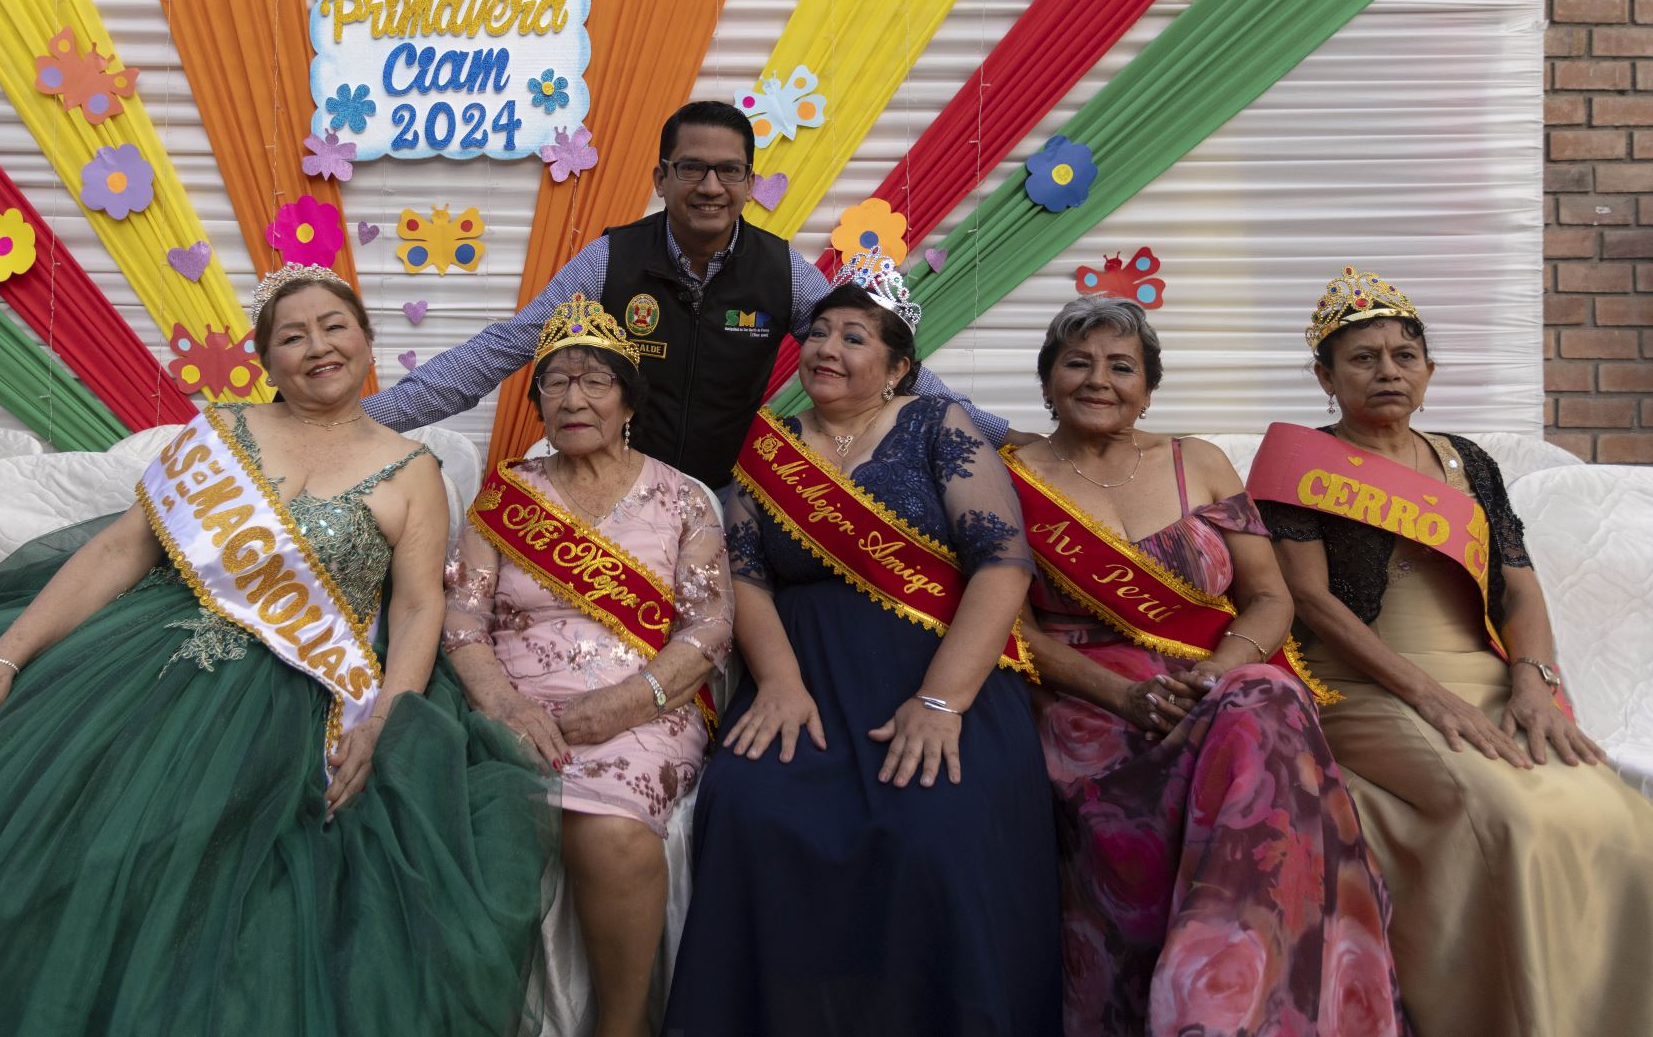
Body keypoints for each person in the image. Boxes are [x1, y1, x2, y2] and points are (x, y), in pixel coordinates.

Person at [0, 265, 557, 1037]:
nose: (318, 347)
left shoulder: (416, 469)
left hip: (299, 694)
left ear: (366, 337)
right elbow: (123, 548)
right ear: (267, 359)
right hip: (136, 665)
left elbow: (419, 603)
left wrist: (389, 715)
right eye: (292, 336)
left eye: (334, 326)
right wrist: (1, 660)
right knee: (27, 827)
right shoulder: (218, 433)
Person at [661, 251, 1061, 1037]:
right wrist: (776, 681)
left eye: (854, 336)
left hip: (940, 673)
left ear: (898, 366)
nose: (826, 348)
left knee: (934, 832)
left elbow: (1003, 563)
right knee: (750, 808)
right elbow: (746, 578)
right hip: (803, 679)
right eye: (817, 333)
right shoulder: (768, 444)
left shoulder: (937, 425)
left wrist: (942, 701)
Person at [1250, 267, 1653, 1037]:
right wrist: (1427, 696)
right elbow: (1312, 604)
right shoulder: (1297, 466)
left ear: (1429, 370)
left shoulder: (1469, 460)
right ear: (1324, 376)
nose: (1388, 371)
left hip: (1488, 675)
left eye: (1405, 354)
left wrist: (1534, 682)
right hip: (1361, 683)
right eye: (1362, 357)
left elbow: (1520, 590)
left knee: (1617, 814)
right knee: (1513, 816)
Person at [1005, 297, 1409, 1037]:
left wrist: (1219, 671)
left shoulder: (1202, 462)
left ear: (1149, 388)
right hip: (1091, 703)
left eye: (1121, 365)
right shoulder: (1012, 478)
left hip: (1218, 682)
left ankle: (1216, 1002)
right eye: (1078, 362)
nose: (1099, 379)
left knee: (1264, 704)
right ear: (1047, 382)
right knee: (1267, 718)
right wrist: (1126, 697)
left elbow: (1267, 597)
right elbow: (1014, 627)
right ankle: (1225, 1001)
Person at [363, 100, 1019, 487]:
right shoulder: (610, 260)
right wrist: (357, 421)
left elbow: (881, 361)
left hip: (732, 500)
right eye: (692, 168)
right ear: (661, 177)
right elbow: (501, 349)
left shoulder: (783, 272)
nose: (710, 185)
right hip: (614, 496)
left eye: (728, 170)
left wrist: (1005, 437)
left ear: (749, 181)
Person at [443, 294, 732, 1037]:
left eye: (594, 380)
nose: (573, 397)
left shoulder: (682, 500)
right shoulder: (506, 497)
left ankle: (623, 1023)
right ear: (536, 400)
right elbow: (465, 626)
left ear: (628, 398)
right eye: (555, 382)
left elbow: (709, 628)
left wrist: (627, 701)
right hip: (516, 710)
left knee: (607, 829)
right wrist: (504, 706)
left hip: (645, 708)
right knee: (460, 816)